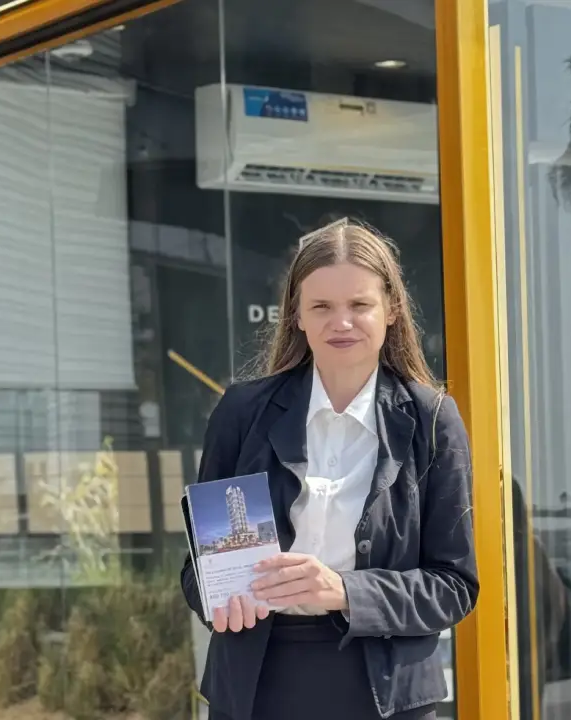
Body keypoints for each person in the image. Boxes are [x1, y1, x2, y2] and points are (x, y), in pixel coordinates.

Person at [181, 218, 477, 720]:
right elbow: (197, 571)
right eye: (321, 307)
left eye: (359, 305)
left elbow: (454, 586)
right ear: (295, 315)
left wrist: (344, 591)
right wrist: (218, 598)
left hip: (387, 696)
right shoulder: (241, 412)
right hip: (255, 690)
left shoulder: (432, 419)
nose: (341, 322)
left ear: (392, 311)